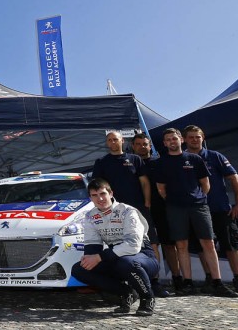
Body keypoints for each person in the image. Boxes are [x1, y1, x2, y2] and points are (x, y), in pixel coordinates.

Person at [153, 128, 237, 298]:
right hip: (175, 208)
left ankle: (217, 282)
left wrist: (196, 198)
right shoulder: (161, 163)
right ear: (164, 143)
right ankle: (188, 283)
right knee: (181, 245)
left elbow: (205, 185)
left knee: (209, 244)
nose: (172, 142)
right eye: (168, 139)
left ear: (180, 140)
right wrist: (176, 200)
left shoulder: (194, 159)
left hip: (199, 206)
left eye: (174, 138)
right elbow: (161, 189)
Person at [92, 131, 169, 297]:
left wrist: (147, 202)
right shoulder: (101, 162)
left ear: (122, 141)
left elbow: (145, 182)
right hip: (113, 212)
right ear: (107, 143)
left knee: (151, 243)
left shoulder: (135, 159)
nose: (113, 142)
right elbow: (97, 187)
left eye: (116, 139)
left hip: (138, 208)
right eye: (110, 140)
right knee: (118, 244)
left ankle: (154, 282)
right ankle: (127, 284)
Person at [70, 178, 159, 316]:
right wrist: (89, 259)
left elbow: (133, 245)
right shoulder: (90, 217)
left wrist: (100, 257)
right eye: (94, 195)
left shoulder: (128, 211)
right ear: (90, 198)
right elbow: (92, 247)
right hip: (116, 257)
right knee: (79, 269)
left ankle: (147, 298)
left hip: (143, 256)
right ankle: (127, 293)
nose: (100, 198)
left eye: (103, 194)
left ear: (111, 193)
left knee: (127, 262)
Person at [183, 125, 238, 296]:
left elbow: (235, 179)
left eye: (197, 137)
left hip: (221, 210)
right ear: (184, 139)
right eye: (190, 137)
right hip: (196, 211)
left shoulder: (215, 156)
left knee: (231, 245)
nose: (194, 140)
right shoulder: (180, 159)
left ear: (203, 137)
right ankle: (210, 280)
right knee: (202, 247)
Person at [132, 132, 181, 288]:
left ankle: (177, 278)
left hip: (163, 209)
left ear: (150, 145)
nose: (142, 147)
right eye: (138, 144)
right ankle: (152, 280)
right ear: (133, 146)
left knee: (169, 245)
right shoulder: (130, 163)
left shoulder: (160, 162)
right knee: (144, 247)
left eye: (145, 144)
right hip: (140, 211)